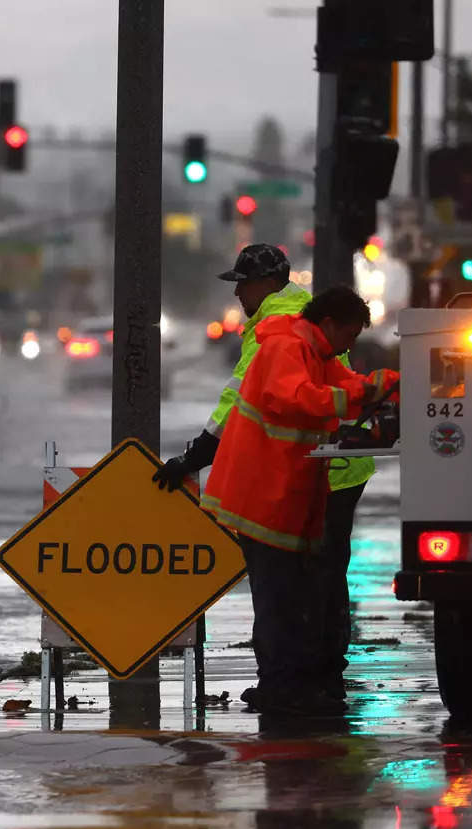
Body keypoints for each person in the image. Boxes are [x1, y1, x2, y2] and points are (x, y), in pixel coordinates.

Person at [153, 244, 377, 702]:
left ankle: (292, 682)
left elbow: (238, 402)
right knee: (325, 578)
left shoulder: (275, 330)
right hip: (338, 467)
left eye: (243, 283)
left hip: (310, 472)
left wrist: (193, 459)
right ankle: (322, 677)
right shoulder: (304, 316)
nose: (238, 293)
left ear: (267, 284)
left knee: (284, 582)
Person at [197, 287, 393, 716]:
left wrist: (385, 386)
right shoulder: (287, 348)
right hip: (261, 496)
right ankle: (279, 689)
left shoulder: (313, 351)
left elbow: (343, 383)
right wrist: (360, 397)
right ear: (328, 325)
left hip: (281, 496)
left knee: (292, 596)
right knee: (278, 599)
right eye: (350, 335)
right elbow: (295, 399)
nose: (350, 346)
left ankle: (291, 683)